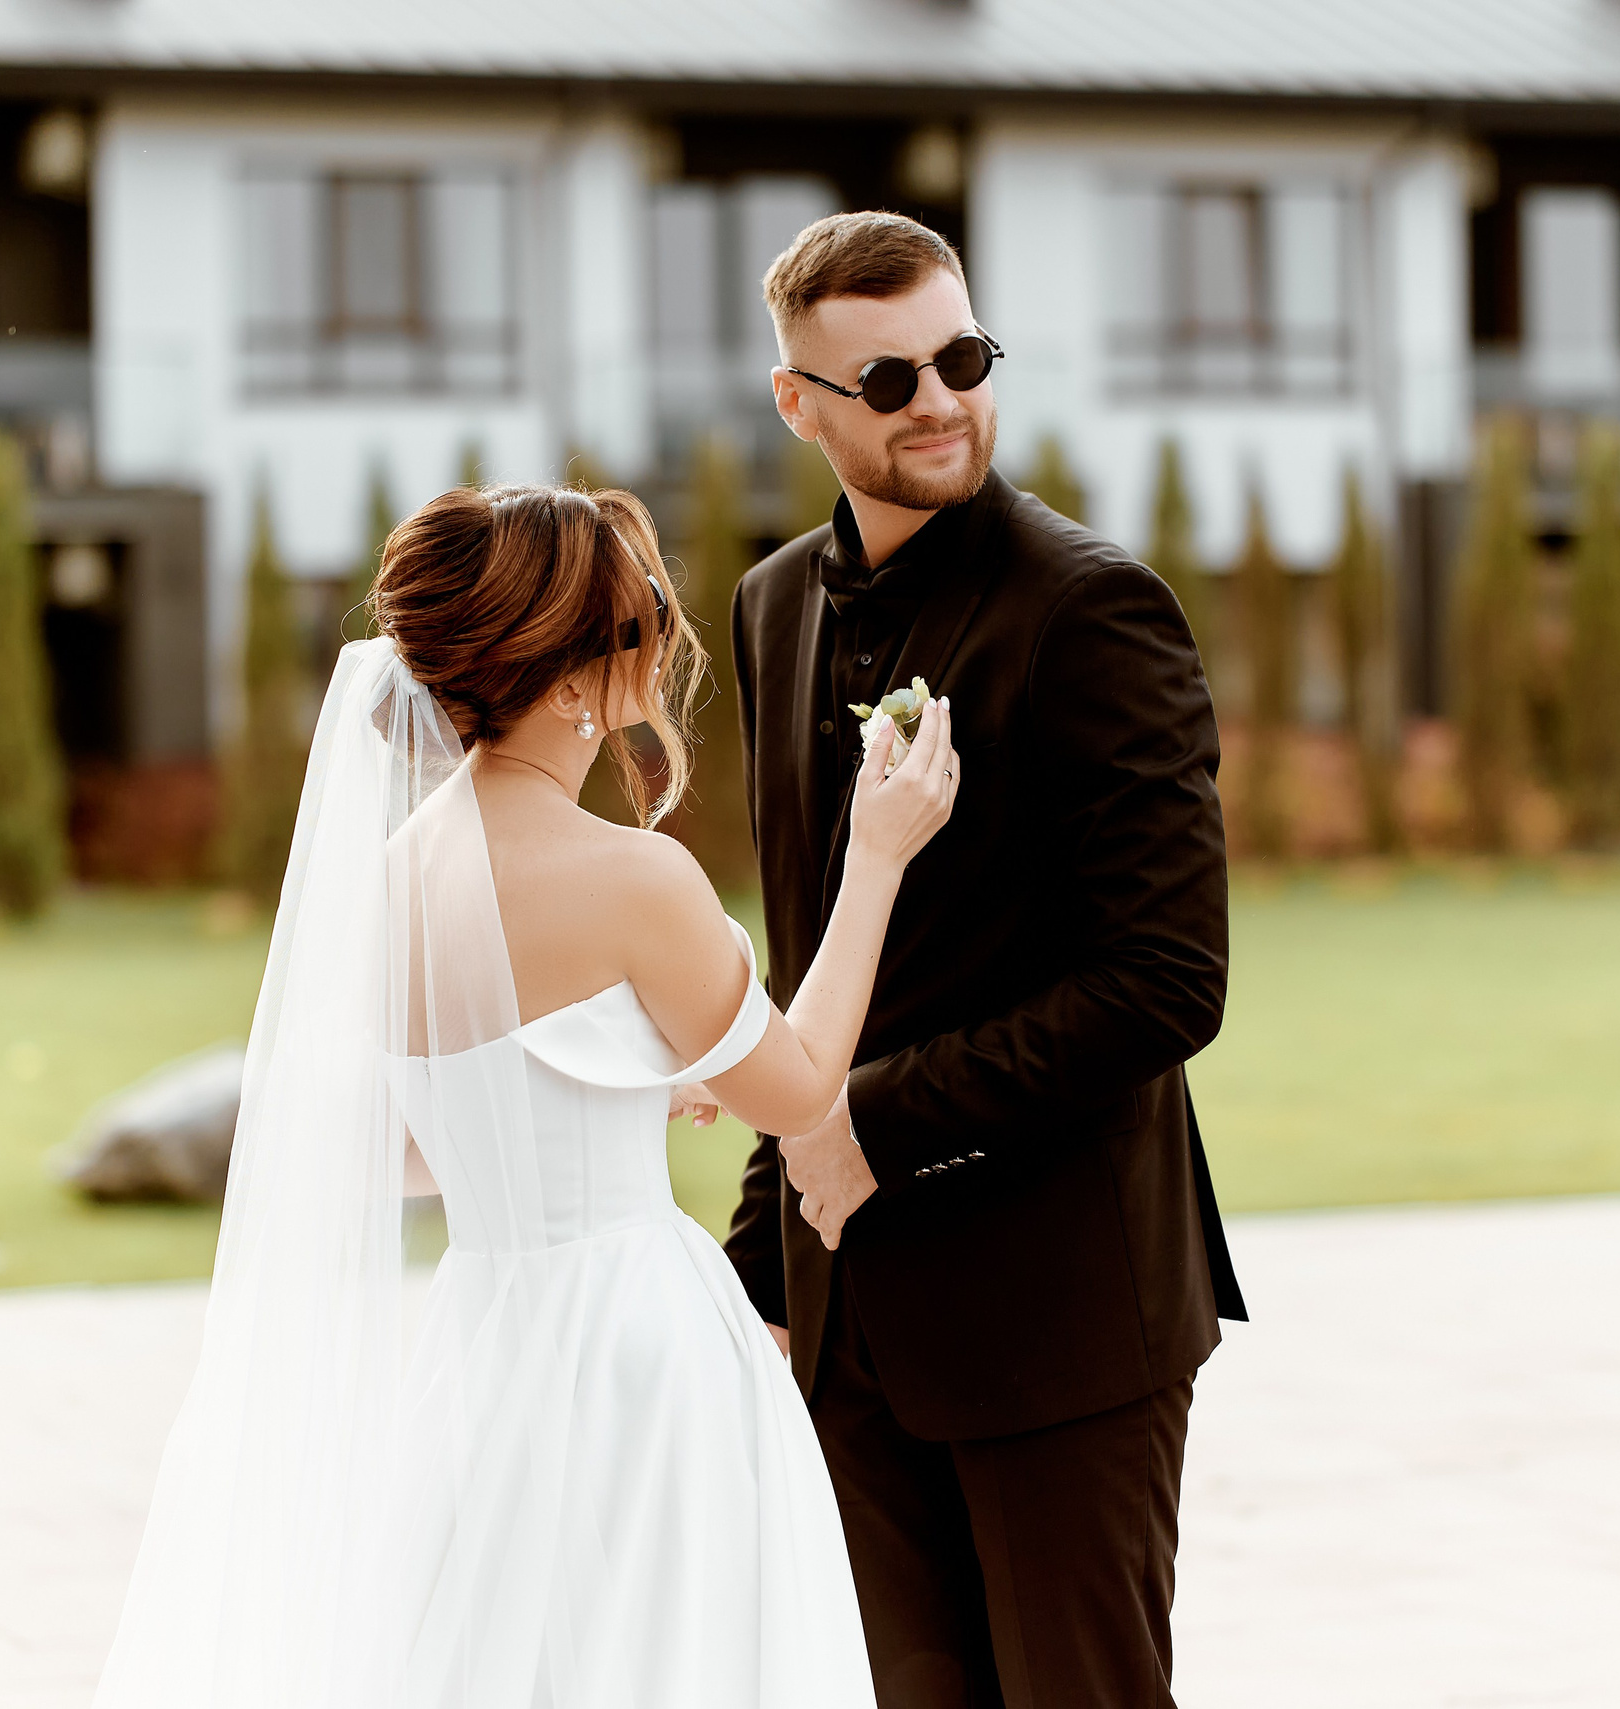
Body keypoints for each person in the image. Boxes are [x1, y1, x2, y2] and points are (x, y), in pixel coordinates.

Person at [93, 483, 960, 1708]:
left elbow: (403, 1145)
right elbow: (802, 1089)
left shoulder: (387, 880)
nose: (657, 643)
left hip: (484, 1340)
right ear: (566, 679)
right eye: (639, 619)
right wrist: (876, 855)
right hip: (633, 1344)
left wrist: (610, 1086)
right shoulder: (635, 878)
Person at [723, 210, 1245, 1709]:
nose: (938, 400)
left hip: (1062, 1314)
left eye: (959, 357)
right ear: (799, 404)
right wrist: (763, 1257)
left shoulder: (1094, 610)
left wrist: (868, 1122)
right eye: (885, 381)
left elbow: (1164, 980)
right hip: (847, 1319)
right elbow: (811, 949)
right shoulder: (771, 611)